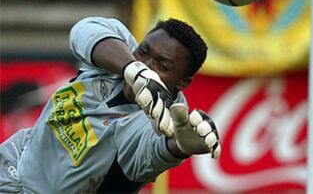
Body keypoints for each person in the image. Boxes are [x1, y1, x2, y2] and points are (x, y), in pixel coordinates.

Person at [0, 16, 221, 193]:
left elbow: (155, 153)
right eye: (143, 52)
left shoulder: (158, 125)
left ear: (182, 82)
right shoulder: (118, 54)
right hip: (12, 163)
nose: (146, 64)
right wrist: (132, 69)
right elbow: (83, 30)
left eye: (162, 65)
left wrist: (179, 148)